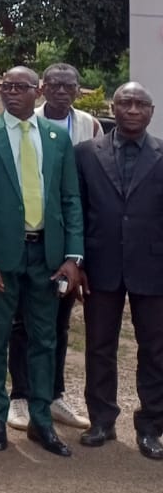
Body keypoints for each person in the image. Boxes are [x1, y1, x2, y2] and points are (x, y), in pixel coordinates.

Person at [0, 65, 84, 457]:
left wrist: (73, 257)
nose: (11, 93)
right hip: (1, 256)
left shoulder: (56, 138)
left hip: (47, 255)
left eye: (20, 87)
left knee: (44, 339)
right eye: (7, 87)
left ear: (38, 91)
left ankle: (41, 422)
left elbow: (70, 199)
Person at [6, 63, 101, 432]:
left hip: (65, 241)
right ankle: (20, 396)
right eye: (55, 85)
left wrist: (77, 251)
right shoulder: (26, 119)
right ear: (42, 88)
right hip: (26, 238)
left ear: (78, 90)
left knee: (58, 323)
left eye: (70, 85)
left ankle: (54, 394)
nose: (62, 91)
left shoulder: (88, 125)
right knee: (21, 323)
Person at [74, 82, 163, 460]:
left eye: (139, 103)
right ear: (113, 107)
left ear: (151, 111)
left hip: (154, 266)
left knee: (156, 350)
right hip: (100, 265)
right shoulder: (85, 154)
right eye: (124, 102)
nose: (131, 109)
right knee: (99, 346)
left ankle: (152, 427)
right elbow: (75, 210)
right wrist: (76, 262)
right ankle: (102, 421)